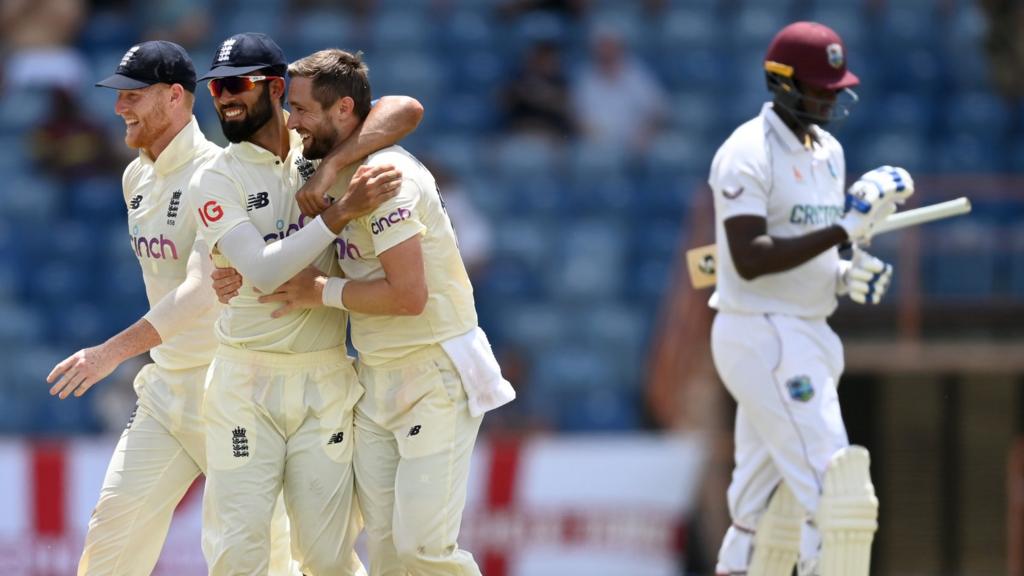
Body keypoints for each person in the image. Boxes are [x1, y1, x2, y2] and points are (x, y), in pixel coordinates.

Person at [214, 48, 515, 576]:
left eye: (303, 109)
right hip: (375, 379)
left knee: (425, 551)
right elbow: (395, 110)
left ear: (344, 109)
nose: (293, 121)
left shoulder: (385, 179)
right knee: (391, 558)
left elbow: (408, 297)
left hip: (432, 373)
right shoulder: (328, 164)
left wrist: (320, 292)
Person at [45, 40, 299, 576]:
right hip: (167, 391)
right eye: (118, 96)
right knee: (112, 539)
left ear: (175, 98)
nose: (120, 108)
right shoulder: (135, 175)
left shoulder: (216, 174)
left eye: (133, 96)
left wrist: (108, 354)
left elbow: (202, 291)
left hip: (228, 391)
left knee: (266, 555)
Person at [187, 33, 422, 576]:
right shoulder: (215, 176)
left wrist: (335, 166)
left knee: (326, 557)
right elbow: (268, 270)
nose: (221, 97)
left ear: (274, 88)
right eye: (215, 87)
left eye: (234, 85)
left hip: (325, 379)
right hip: (246, 382)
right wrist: (339, 214)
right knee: (240, 554)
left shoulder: (313, 147)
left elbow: (405, 109)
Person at [707, 22, 913, 576]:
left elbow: (808, 245)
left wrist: (841, 275)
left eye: (835, 88)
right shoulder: (745, 154)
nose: (830, 98)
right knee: (837, 497)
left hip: (809, 330)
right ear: (781, 83)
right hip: (763, 332)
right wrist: (844, 229)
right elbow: (749, 256)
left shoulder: (829, 152)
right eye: (819, 88)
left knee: (759, 513)